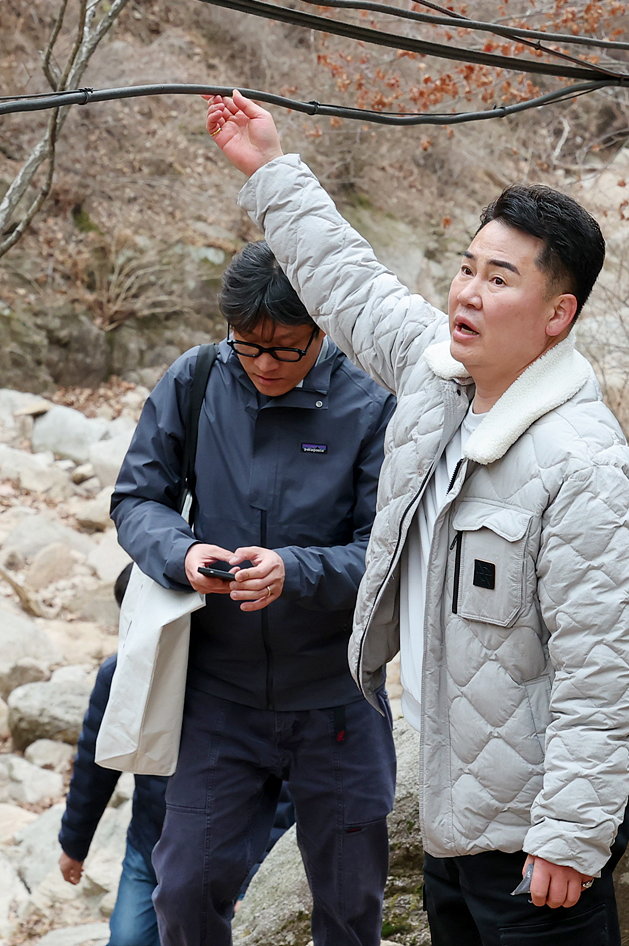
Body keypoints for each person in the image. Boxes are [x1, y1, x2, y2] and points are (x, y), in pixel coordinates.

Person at [204, 92, 629, 946]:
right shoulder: (440, 380)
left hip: (534, 843)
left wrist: (571, 834)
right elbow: (350, 285)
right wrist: (270, 167)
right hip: (455, 819)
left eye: (500, 279)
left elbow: (603, 672)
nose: (469, 293)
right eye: (467, 268)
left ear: (557, 315)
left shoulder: (587, 468)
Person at [112, 242, 397, 946]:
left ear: (321, 329)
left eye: (285, 349)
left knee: (350, 903)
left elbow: (387, 555)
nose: (265, 364)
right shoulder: (198, 378)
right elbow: (137, 497)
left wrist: (294, 570)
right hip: (220, 695)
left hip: (336, 696)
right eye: (249, 345)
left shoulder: (371, 406)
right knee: (183, 889)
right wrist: (180, 553)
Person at [59, 566, 296, 946]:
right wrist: (74, 843)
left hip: (227, 853)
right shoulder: (120, 673)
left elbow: (281, 786)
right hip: (149, 845)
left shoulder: (240, 680)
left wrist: (254, 876)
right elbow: (94, 765)